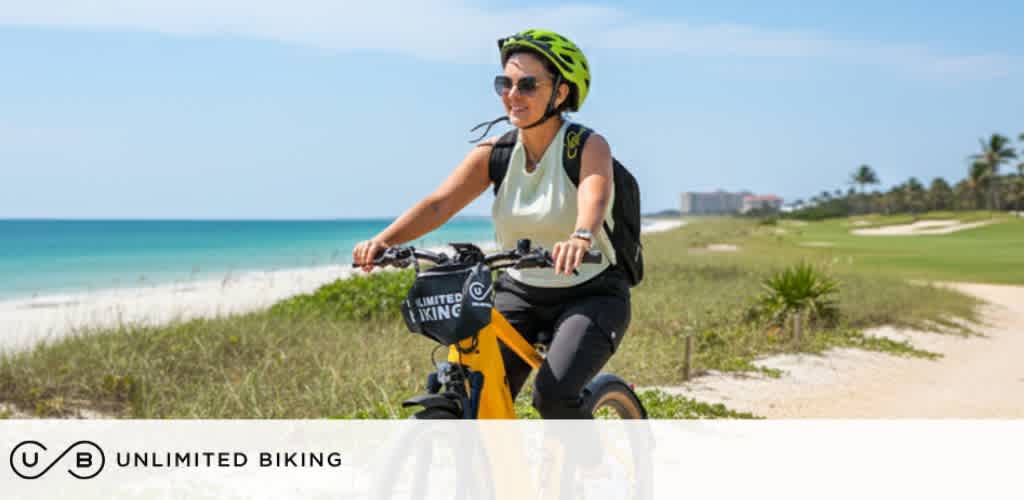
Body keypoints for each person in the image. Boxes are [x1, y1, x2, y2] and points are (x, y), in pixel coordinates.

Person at [352, 29, 630, 419]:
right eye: (505, 83)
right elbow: (439, 204)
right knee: (471, 387)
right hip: (520, 290)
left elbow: (593, 193)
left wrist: (581, 236)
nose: (512, 95)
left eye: (527, 85)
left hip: (591, 292)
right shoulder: (496, 153)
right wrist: (382, 241)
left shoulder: (586, 146)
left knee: (553, 395)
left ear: (561, 93)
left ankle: (586, 473)